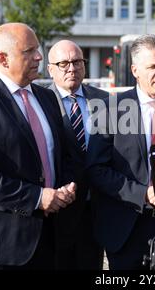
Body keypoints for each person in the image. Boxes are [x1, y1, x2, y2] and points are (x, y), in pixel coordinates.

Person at [0, 22, 77, 270]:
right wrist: (37, 197)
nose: (39, 56)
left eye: (37, 49)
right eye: (29, 51)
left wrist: (66, 187)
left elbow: (63, 153)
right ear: (3, 59)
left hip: (47, 235)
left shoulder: (47, 97)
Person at [85, 34, 155, 270]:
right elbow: (96, 169)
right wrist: (143, 194)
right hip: (125, 229)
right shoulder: (112, 109)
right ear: (135, 70)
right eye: (152, 66)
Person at [48, 40, 107, 269]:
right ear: (51, 69)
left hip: (97, 207)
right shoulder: (41, 102)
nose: (72, 68)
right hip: (58, 210)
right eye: (64, 63)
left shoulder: (105, 101)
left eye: (78, 62)